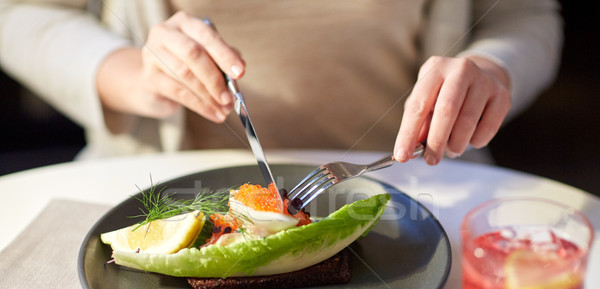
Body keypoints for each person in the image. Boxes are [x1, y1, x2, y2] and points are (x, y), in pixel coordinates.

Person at [0, 0, 562, 165]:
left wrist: (491, 69)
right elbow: (21, 13)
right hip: (158, 183)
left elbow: (524, 16)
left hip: (416, 186)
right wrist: (131, 75)